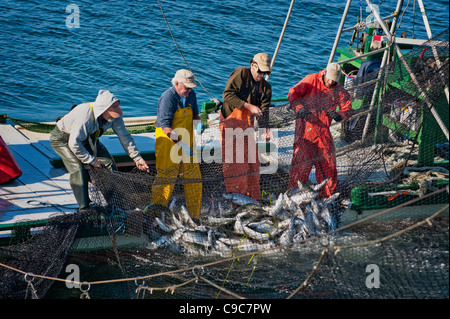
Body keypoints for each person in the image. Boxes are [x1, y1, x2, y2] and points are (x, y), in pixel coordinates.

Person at [50, 89, 149, 210]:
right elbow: (74, 143)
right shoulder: (85, 115)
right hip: (63, 139)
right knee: (77, 168)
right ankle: (84, 207)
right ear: (104, 110)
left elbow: (124, 136)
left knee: (109, 163)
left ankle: (114, 201)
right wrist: (91, 160)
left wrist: (137, 157)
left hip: (89, 138)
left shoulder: (115, 117)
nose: (114, 117)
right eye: (112, 113)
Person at [287, 63, 353, 198]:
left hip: (323, 130)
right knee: (301, 165)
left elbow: (347, 109)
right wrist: (299, 108)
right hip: (305, 128)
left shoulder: (339, 91)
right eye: (329, 78)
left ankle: (327, 197)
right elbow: (293, 93)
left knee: (329, 165)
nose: (330, 82)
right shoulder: (311, 79)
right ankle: (295, 195)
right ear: (324, 73)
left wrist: (339, 115)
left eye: (334, 80)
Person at [150, 69, 202, 219]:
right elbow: (166, 128)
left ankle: (195, 216)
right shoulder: (168, 98)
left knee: (194, 178)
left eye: (191, 87)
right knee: (165, 181)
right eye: (186, 87)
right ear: (176, 83)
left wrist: (198, 125)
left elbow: (196, 114)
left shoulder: (191, 95)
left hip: (187, 142)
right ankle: (156, 216)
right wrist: (182, 146)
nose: (189, 90)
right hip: (169, 144)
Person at [220, 53, 272, 202]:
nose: (262, 75)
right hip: (230, 124)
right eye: (260, 71)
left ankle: (253, 201)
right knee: (236, 167)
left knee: (253, 166)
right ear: (252, 65)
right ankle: (237, 203)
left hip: (247, 127)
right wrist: (249, 106)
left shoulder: (266, 88)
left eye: (265, 73)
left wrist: (264, 131)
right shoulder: (241, 74)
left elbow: (264, 112)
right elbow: (227, 95)